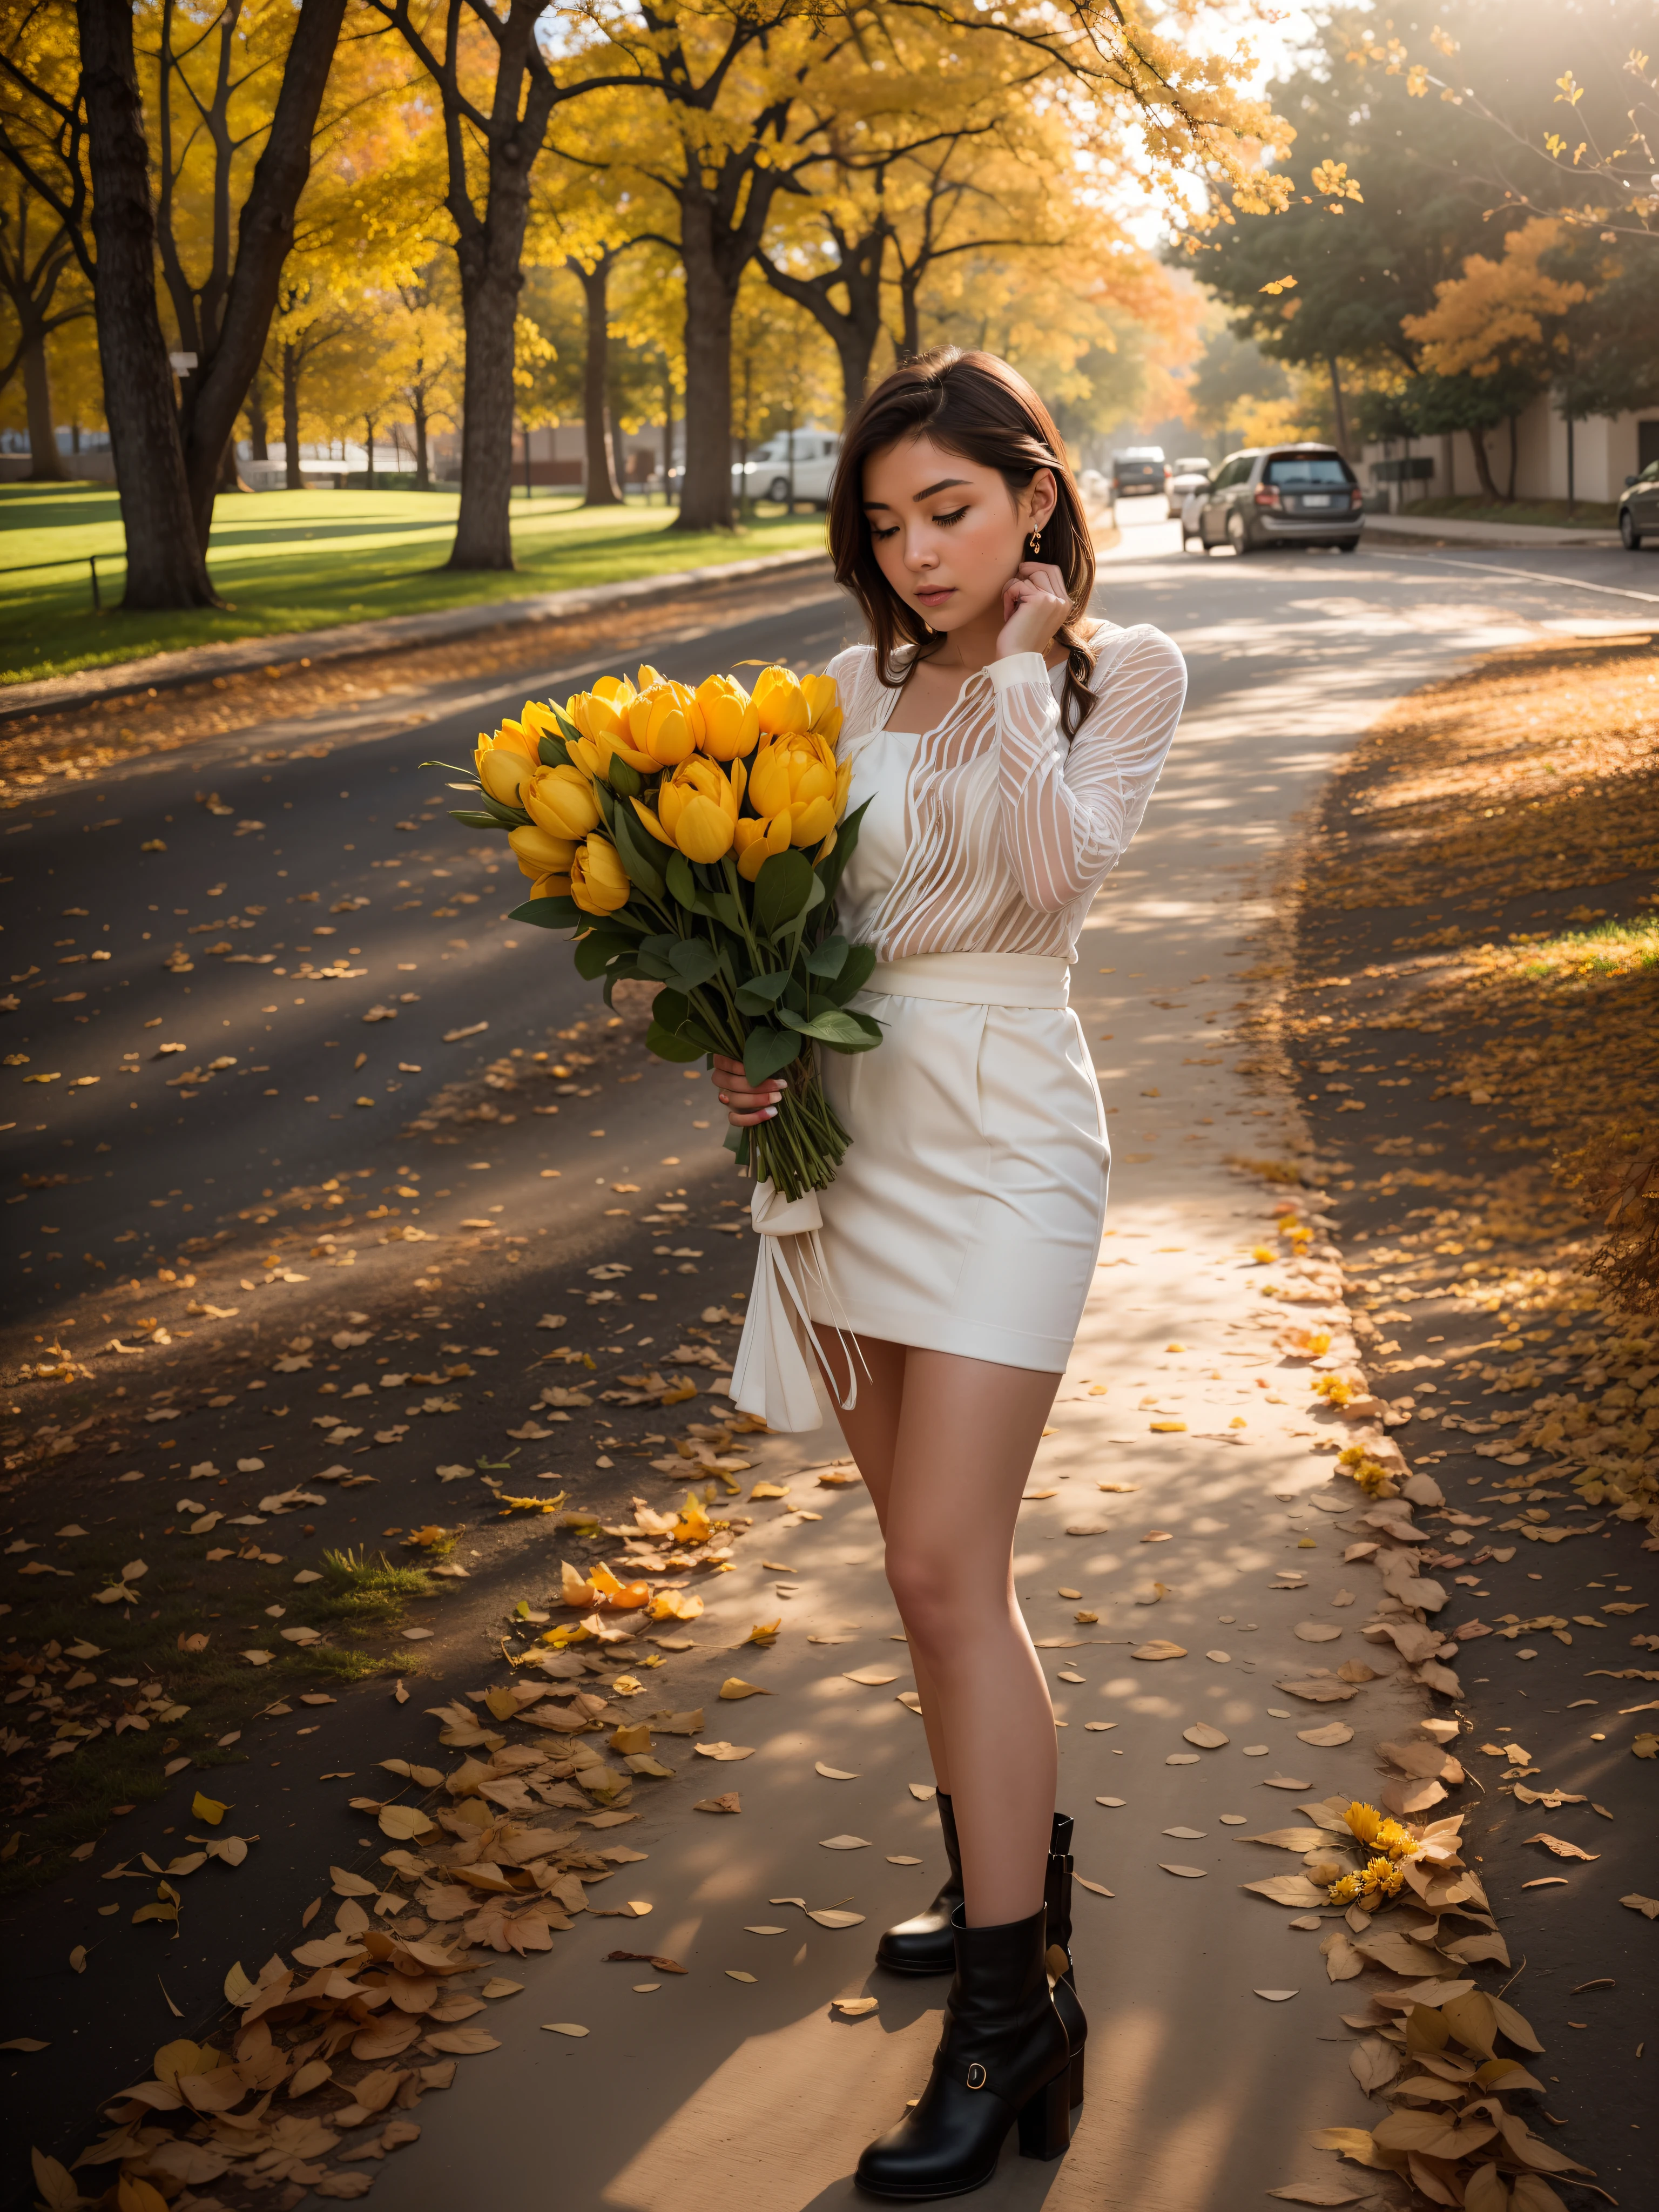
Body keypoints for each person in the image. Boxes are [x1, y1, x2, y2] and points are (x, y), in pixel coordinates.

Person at [713, 348, 1186, 2198]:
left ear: (1036, 501)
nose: (916, 553)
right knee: (924, 1595)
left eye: (953, 511)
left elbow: (1054, 877)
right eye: (889, 522)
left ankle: (1009, 2026)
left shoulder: (1122, 674)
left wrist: (1008, 674)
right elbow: (801, 922)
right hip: (838, 1142)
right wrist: (740, 1036)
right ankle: (1010, 1894)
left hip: (1002, 1141)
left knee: (941, 1562)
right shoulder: (846, 686)